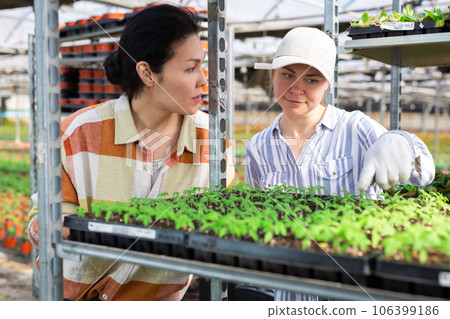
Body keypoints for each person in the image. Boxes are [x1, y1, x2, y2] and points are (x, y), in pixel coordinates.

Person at [28, 4, 234, 301]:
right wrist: (56, 226)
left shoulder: (214, 142)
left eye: (201, 66)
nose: (204, 80)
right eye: (191, 68)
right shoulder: (78, 133)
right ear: (147, 72)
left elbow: (225, 227)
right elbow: (41, 218)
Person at [245, 27, 435, 301]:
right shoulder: (258, 148)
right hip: (289, 297)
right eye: (287, 74)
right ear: (272, 74)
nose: (296, 88)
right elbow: (260, 221)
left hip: (353, 294)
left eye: (311, 80)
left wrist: (402, 142)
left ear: (327, 85)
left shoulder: (355, 128)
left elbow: (424, 174)